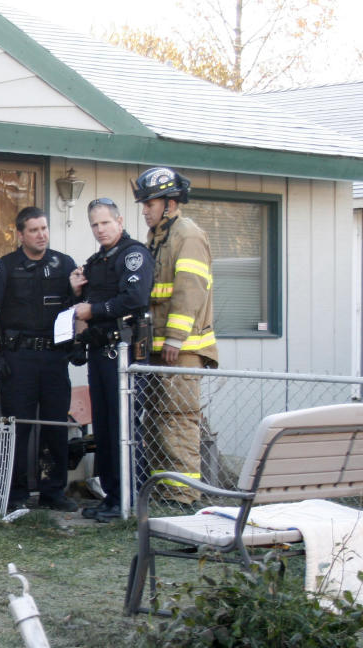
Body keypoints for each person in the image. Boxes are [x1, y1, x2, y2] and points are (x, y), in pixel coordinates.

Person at [0, 206, 85, 512]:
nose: (41, 235)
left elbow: (79, 306)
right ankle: (15, 493)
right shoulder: (7, 266)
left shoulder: (64, 265)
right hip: (18, 358)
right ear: (20, 234)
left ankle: (53, 492)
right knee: (16, 427)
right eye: (34, 230)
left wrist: (78, 341)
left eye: (44, 229)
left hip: (53, 358)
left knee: (54, 425)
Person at [133, 167, 218, 506]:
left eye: (149, 203)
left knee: (179, 421)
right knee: (156, 420)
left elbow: (189, 291)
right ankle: (164, 488)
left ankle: (183, 493)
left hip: (180, 350)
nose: (144, 210)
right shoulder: (158, 237)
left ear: (169, 203)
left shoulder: (188, 236)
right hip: (156, 350)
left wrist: (174, 339)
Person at [73, 198, 154, 522]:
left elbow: (134, 298)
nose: (100, 229)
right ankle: (111, 498)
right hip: (99, 353)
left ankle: (130, 500)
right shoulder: (95, 263)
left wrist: (94, 310)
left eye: (105, 222)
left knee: (124, 427)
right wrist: (77, 293)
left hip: (125, 355)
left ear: (119, 220)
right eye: (94, 224)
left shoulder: (133, 254)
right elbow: (82, 306)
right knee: (104, 429)